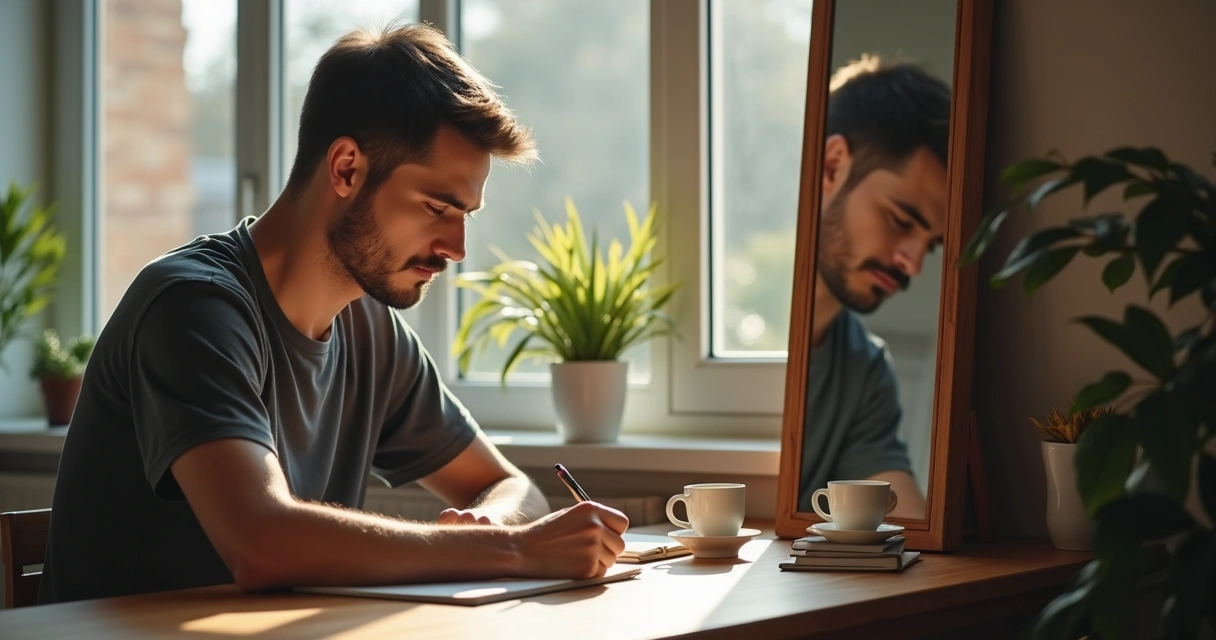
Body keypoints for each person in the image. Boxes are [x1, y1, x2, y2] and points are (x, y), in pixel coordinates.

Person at [38, 23, 628, 605]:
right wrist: (517, 552)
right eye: (436, 206)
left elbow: (504, 483)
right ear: (346, 167)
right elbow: (261, 542)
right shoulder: (194, 309)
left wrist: (493, 530)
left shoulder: (367, 326)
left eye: (465, 214)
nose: (457, 248)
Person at [797, 56, 951, 518]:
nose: (914, 264)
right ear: (832, 167)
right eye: (902, 220)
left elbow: (907, 522)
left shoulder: (865, 371)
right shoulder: (726, 338)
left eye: (932, 245)